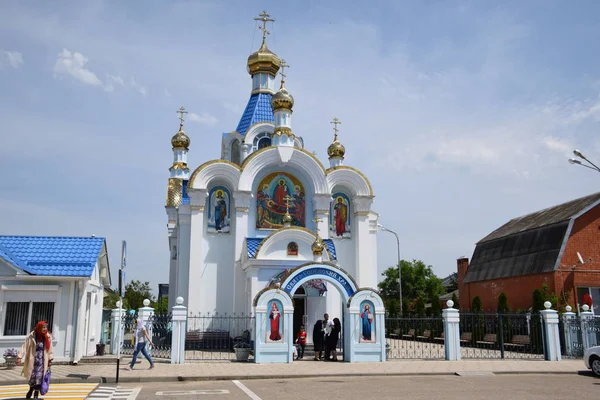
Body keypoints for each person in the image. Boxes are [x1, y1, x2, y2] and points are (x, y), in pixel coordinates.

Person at [17, 321, 54, 399]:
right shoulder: (32, 336)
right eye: (43, 327)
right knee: (33, 378)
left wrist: (50, 360)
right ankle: (30, 390)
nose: (45, 329)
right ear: (39, 327)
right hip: (33, 361)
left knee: (39, 378)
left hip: (42, 362)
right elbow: (25, 346)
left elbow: (50, 349)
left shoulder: (47, 336)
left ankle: (36, 395)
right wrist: (19, 357)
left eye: (46, 327)